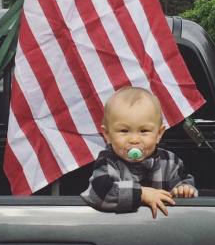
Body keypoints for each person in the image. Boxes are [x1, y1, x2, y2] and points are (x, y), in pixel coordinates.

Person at [81, 86, 197, 218]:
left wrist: (183, 190)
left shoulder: (170, 161)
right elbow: (99, 193)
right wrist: (142, 194)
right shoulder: (107, 162)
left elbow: (184, 183)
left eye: (144, 131)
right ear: (107, 135)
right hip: (122, 229)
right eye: (124, 131)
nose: (134, 139)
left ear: (159, 134)